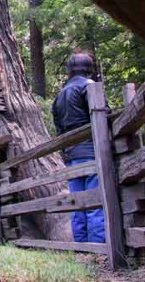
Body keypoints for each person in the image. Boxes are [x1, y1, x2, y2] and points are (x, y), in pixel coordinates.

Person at [52, 52, 105, 243]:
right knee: (95, 201)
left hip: (72, 156)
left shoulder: (60, 95)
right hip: (93, 151)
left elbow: (59, 130)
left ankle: (83, 247)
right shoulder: (90, 87)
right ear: (89, 68)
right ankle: (99, 246)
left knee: (78, 203)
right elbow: (102, 117)